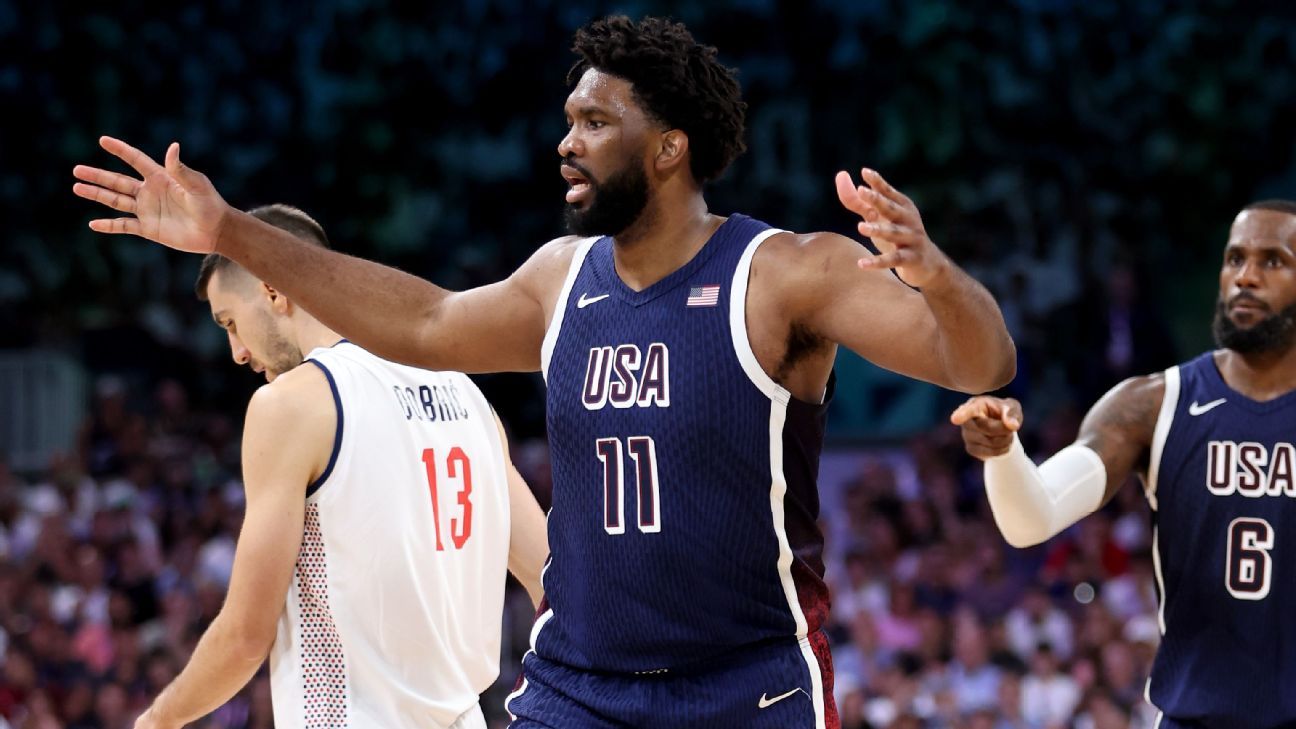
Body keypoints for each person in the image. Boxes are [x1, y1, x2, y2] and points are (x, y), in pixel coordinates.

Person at [74, 16, 1015, 728]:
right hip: (577, 685)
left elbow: (979, 358)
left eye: (595, 121)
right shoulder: (559, 281)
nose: (566, 142)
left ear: (668, 147)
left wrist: (935, 275)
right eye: (568, 119)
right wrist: (232, 231)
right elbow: (426, 319)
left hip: (745, 684)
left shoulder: (781, 275)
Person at [131, 204, 549, 729]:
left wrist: (157, 720)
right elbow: (551, 579)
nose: (236, 352)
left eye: (231, 323)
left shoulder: (291, 404)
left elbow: (244, 638)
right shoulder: (466, 393)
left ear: (274, 290)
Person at [951, 200, 1296, 727]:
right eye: (1235, 258)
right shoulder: (1153, 404)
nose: (1245, 277)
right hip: (1193, 717)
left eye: (1273, 261)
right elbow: (1031, 519)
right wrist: (1003, 453)